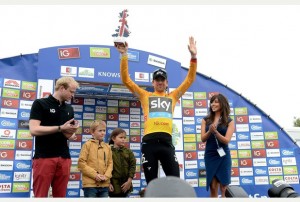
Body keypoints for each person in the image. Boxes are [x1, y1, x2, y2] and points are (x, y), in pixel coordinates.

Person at [114, 37, 197, 184]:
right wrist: (124, 55)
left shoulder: (173, 96)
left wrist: (193, 57)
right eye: (157, 79)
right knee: (151, 184)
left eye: (162, 80)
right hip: (149, 144)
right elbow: (126, 80)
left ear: (166, 83)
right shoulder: (145, 95)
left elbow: (189, 80)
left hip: (166, 143)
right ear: (152, 82)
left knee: (175, 182)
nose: (159, 82)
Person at [29, 76, 80, 197]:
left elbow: (68, 135)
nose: (72, 95)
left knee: (60, 196)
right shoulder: (40, 103)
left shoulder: (69, 108)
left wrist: (71, 132)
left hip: (64, 157)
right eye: (71, 92)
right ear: (62, 88)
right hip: (44, 157)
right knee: (40, 195)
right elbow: (33, 130)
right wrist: (60, 128)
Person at [200, 93, 235, 198]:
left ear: (222, 104)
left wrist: (216, 132)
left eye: (216, 102)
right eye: (212, 102)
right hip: (210, 155)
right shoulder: (205, 120)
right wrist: (210, 131)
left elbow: (226, 140)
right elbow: (203, 139)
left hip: (223, 156)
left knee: (223, 188)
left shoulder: (230, 121)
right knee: (213, 187)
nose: (213, 104)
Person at [77, 120, 113, 198]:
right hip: (90, 186)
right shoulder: (87, 145)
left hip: (104, 185)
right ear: (92, 132)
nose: (103, 133)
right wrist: (95, 175)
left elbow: (110, 164)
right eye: (100, 131)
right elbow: (81, 163)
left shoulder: (107, 147)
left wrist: (106, 176)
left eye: (104, 130)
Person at [108, 128, 136, 197]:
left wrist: (129, 181)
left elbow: (132, 166)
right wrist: (108, 183)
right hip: (113, 185)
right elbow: (105, 167)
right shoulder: (108, 151)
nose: (123, 139)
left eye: (124, 138)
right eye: (121, 137)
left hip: (126, 185)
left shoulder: (129, 152)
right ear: (113, 138)